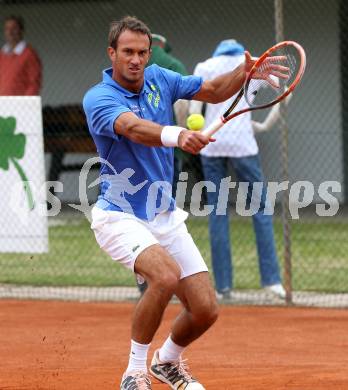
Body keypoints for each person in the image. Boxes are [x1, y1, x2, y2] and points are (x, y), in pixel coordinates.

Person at [83, 17, 288, 389]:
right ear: (112, 53)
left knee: (206, 310)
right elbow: (132, 128)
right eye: (127, 52)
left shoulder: (160, 77)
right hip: (118, 215)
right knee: (164, 275)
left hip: (164, 214)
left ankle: (167, 362)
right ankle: (134, 372)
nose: (136, 59)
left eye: (142, 52)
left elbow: (212, 90)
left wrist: (244, 71)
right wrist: (178, 135)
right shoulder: (99, 97)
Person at [189, 39, 286, 301]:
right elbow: (285, 91)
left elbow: (193, 108)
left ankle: (222, 287)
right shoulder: (255, 63)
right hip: (244, 144)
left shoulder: (204, 66)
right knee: (261, 210)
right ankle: (272, 282)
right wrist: (264, 125)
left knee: (218, 213)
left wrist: (195, 134)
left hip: (212, 143)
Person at [0, 15, 42, 95]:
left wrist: (25, 103)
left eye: (14, 28)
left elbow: (34, 83)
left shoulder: (29, 54)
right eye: (7, 29)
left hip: (20, 104)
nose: (10, 32)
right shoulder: (2, 55)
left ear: (21, 31)